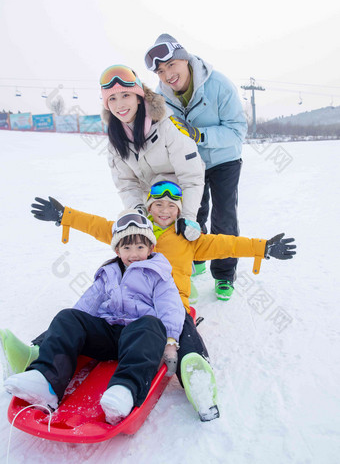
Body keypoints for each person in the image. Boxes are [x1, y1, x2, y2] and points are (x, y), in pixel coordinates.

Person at [2, 183, 296, 420]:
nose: (164, 211)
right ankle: (37, 355)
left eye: (171, 206)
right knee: (71, 318)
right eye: (158, 204)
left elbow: (228, 243)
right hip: (119, 316)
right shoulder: (129, 231)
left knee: (181, 327)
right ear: (149, 207)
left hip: (168, 306)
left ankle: (195, 374)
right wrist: (65, 215)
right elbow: (95, 226)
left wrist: (263, 247)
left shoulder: (188, 237)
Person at [4, 211, 185, 424]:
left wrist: (170, 341)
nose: (134, 253)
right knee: (68, 316)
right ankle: (47, 381)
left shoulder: (158, 274)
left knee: (150, 324)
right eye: (127, 248)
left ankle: (124, 390)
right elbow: (86, 306)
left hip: (139, 338)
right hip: (107, 334)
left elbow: (170, 307)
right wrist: (63, 331)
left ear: (151, 248)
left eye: (140, 247)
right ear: (117, 250)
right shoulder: (108, 273)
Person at [144, 34, 248, 300]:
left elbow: (237, 131)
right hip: (189, 163)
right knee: (192, 213)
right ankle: (196, 255)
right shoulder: (161, 98)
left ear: (185, 59)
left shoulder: (219, 85)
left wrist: (199, 134)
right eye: (160, 70)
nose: (167, 75)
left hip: (225, 160)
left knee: (224, 218)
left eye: (171, 65)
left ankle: (224, 275)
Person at [100, 64, 205, 242]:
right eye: (112, 99)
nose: (120, 105)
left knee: (180, 245)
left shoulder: (167, 126)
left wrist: (188, 217)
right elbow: (126, 184)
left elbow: (191, 176)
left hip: (177, 196)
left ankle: (196, 264)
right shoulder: (115, 140)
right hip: (150, 202)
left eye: (126, 95)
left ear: (139, 98)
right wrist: (138, 211)